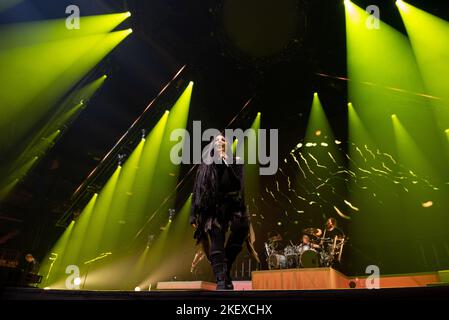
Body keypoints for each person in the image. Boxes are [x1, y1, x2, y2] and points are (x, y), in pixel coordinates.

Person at [190, 134, 249, 290]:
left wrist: (226, 162)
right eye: (216, 140)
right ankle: (222, 279)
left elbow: (238, 184)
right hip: (213, 208)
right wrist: (192, 214)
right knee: (217, 239)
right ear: (212, 146)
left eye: (222, 140)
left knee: (241, 231)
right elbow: (197, 191)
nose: (219, 142)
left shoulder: (236, 161)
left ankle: (225, 269)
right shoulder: (205, 165)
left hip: (233, 205)